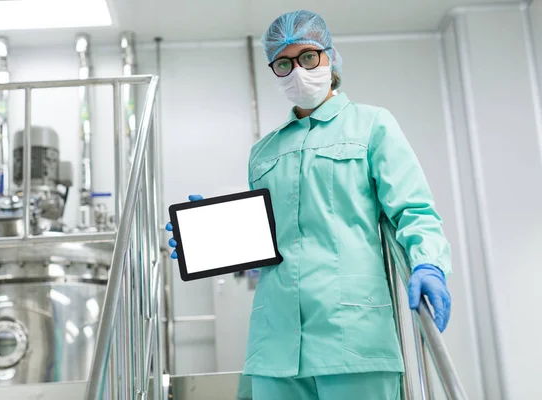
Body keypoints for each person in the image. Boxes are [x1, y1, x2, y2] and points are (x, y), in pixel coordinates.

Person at [167, 10, 452, 400]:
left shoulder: (371, 126)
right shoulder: (263, 152)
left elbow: (413, 210)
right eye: (284, 63)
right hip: (275, 349)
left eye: (308, 57)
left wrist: (428, 263)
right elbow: (271, 244)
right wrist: (211, 238)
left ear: (330, 57)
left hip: (353, 338)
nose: (297, 70)